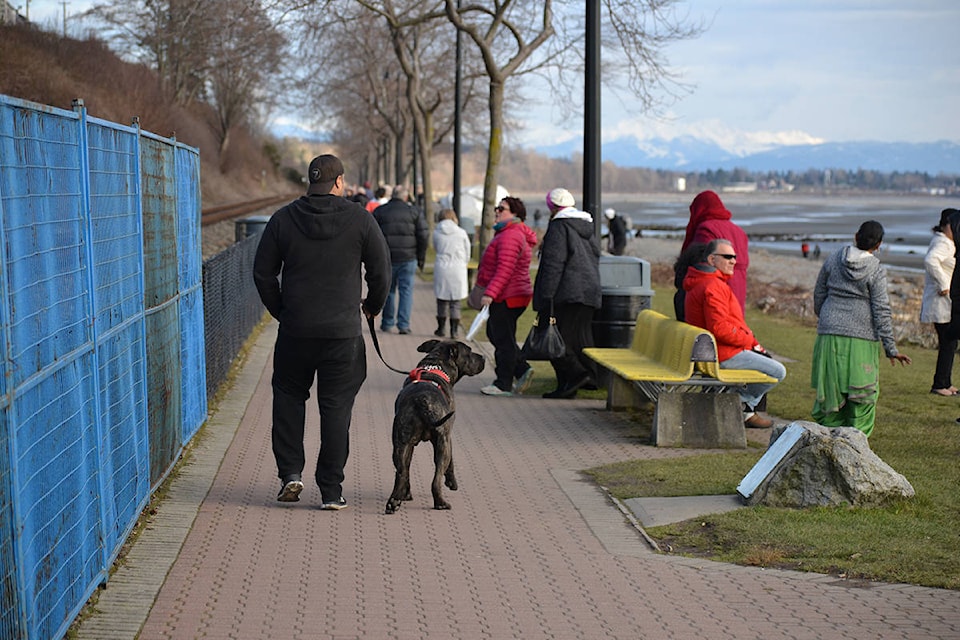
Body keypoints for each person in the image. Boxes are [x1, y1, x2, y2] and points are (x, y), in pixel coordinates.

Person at [253, 154, 391, 509]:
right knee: (336, 408)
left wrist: (281, 310)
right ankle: (331, 490)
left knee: (287, 398)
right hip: (342, 335)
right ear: (340, 182)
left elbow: (263, 273)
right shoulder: (361, 220)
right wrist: (372, 306)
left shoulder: (283, 219)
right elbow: (381, 272)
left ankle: (291, 475)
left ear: (310, 183)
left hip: (296, 330)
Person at [811, 220, 911, 437]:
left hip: (829, 333)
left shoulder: (833, 258)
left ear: (856, 236)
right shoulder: (875, 269)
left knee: (831, 395)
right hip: (862, 337)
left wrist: (827, 316)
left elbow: (819, 293)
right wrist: (890, 348)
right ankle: (856, 445)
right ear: (878, 245)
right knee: (861, 396)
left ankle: (828, 441)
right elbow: (881, 309)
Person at [683, 238, 786, 428]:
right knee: (778, 371)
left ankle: (744, 409)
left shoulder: (704, 282)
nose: (733, 261)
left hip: (711, 351)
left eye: (734, 257)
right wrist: (748, 340)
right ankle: (739, 404)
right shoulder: (713, 287)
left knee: (767, 359)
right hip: (721, 354)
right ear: (712, 260)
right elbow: (720, 328)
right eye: (728, 257)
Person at [533, 187, 602, 399]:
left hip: (565, 292)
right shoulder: (585, 226)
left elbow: (554, 264)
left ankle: (576, 377)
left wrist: (545, 297)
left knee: (554, 338)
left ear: (552, 207)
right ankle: (581, 379)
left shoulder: (558, 227)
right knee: (579, 339)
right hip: (588, 291)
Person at [476, 196, 538, 396]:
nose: (497, 211)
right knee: (499, 336)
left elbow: (505, 269)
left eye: (501, 208)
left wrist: (490, 294)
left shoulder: (510, 236)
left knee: (502, 339)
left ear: (515, 214)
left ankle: (503, 383)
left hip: (507, 296)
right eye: (497, 207)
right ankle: (521, 369)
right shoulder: (508, 233)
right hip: (511, 294)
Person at [681, 190, 750, 312]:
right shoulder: (738, 231)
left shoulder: (706, 229)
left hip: (716, 291)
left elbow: (701, 266)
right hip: (738, 288)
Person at [374, 185, 428, 334]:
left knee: (388, 290)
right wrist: (421, 257)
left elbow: (373, 235)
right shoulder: (414, 212)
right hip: (408, 257)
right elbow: (423, 235)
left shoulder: (380, 211)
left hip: (387, 257)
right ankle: (403, 325)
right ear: (405, 196)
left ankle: (387, 323)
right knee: (406, 291)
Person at [921, 209, 957, 396]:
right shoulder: (942, 242)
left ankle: (945, 382)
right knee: (948, 342)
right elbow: (930, 260)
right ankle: (940, 384)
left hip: (947, 304)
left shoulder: (949, 243)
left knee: (949, 343)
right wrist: (944, 285)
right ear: (947, 225)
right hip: (941, 302)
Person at [432, 208, 472, 338]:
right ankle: (454, 331)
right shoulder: (461, 233)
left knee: (441, 300)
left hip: (442, 267)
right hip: (457, 268)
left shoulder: (436, 232)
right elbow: (467, 251)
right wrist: (463, 262)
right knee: (455, 302)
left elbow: (436, 247)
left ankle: (441, 328)